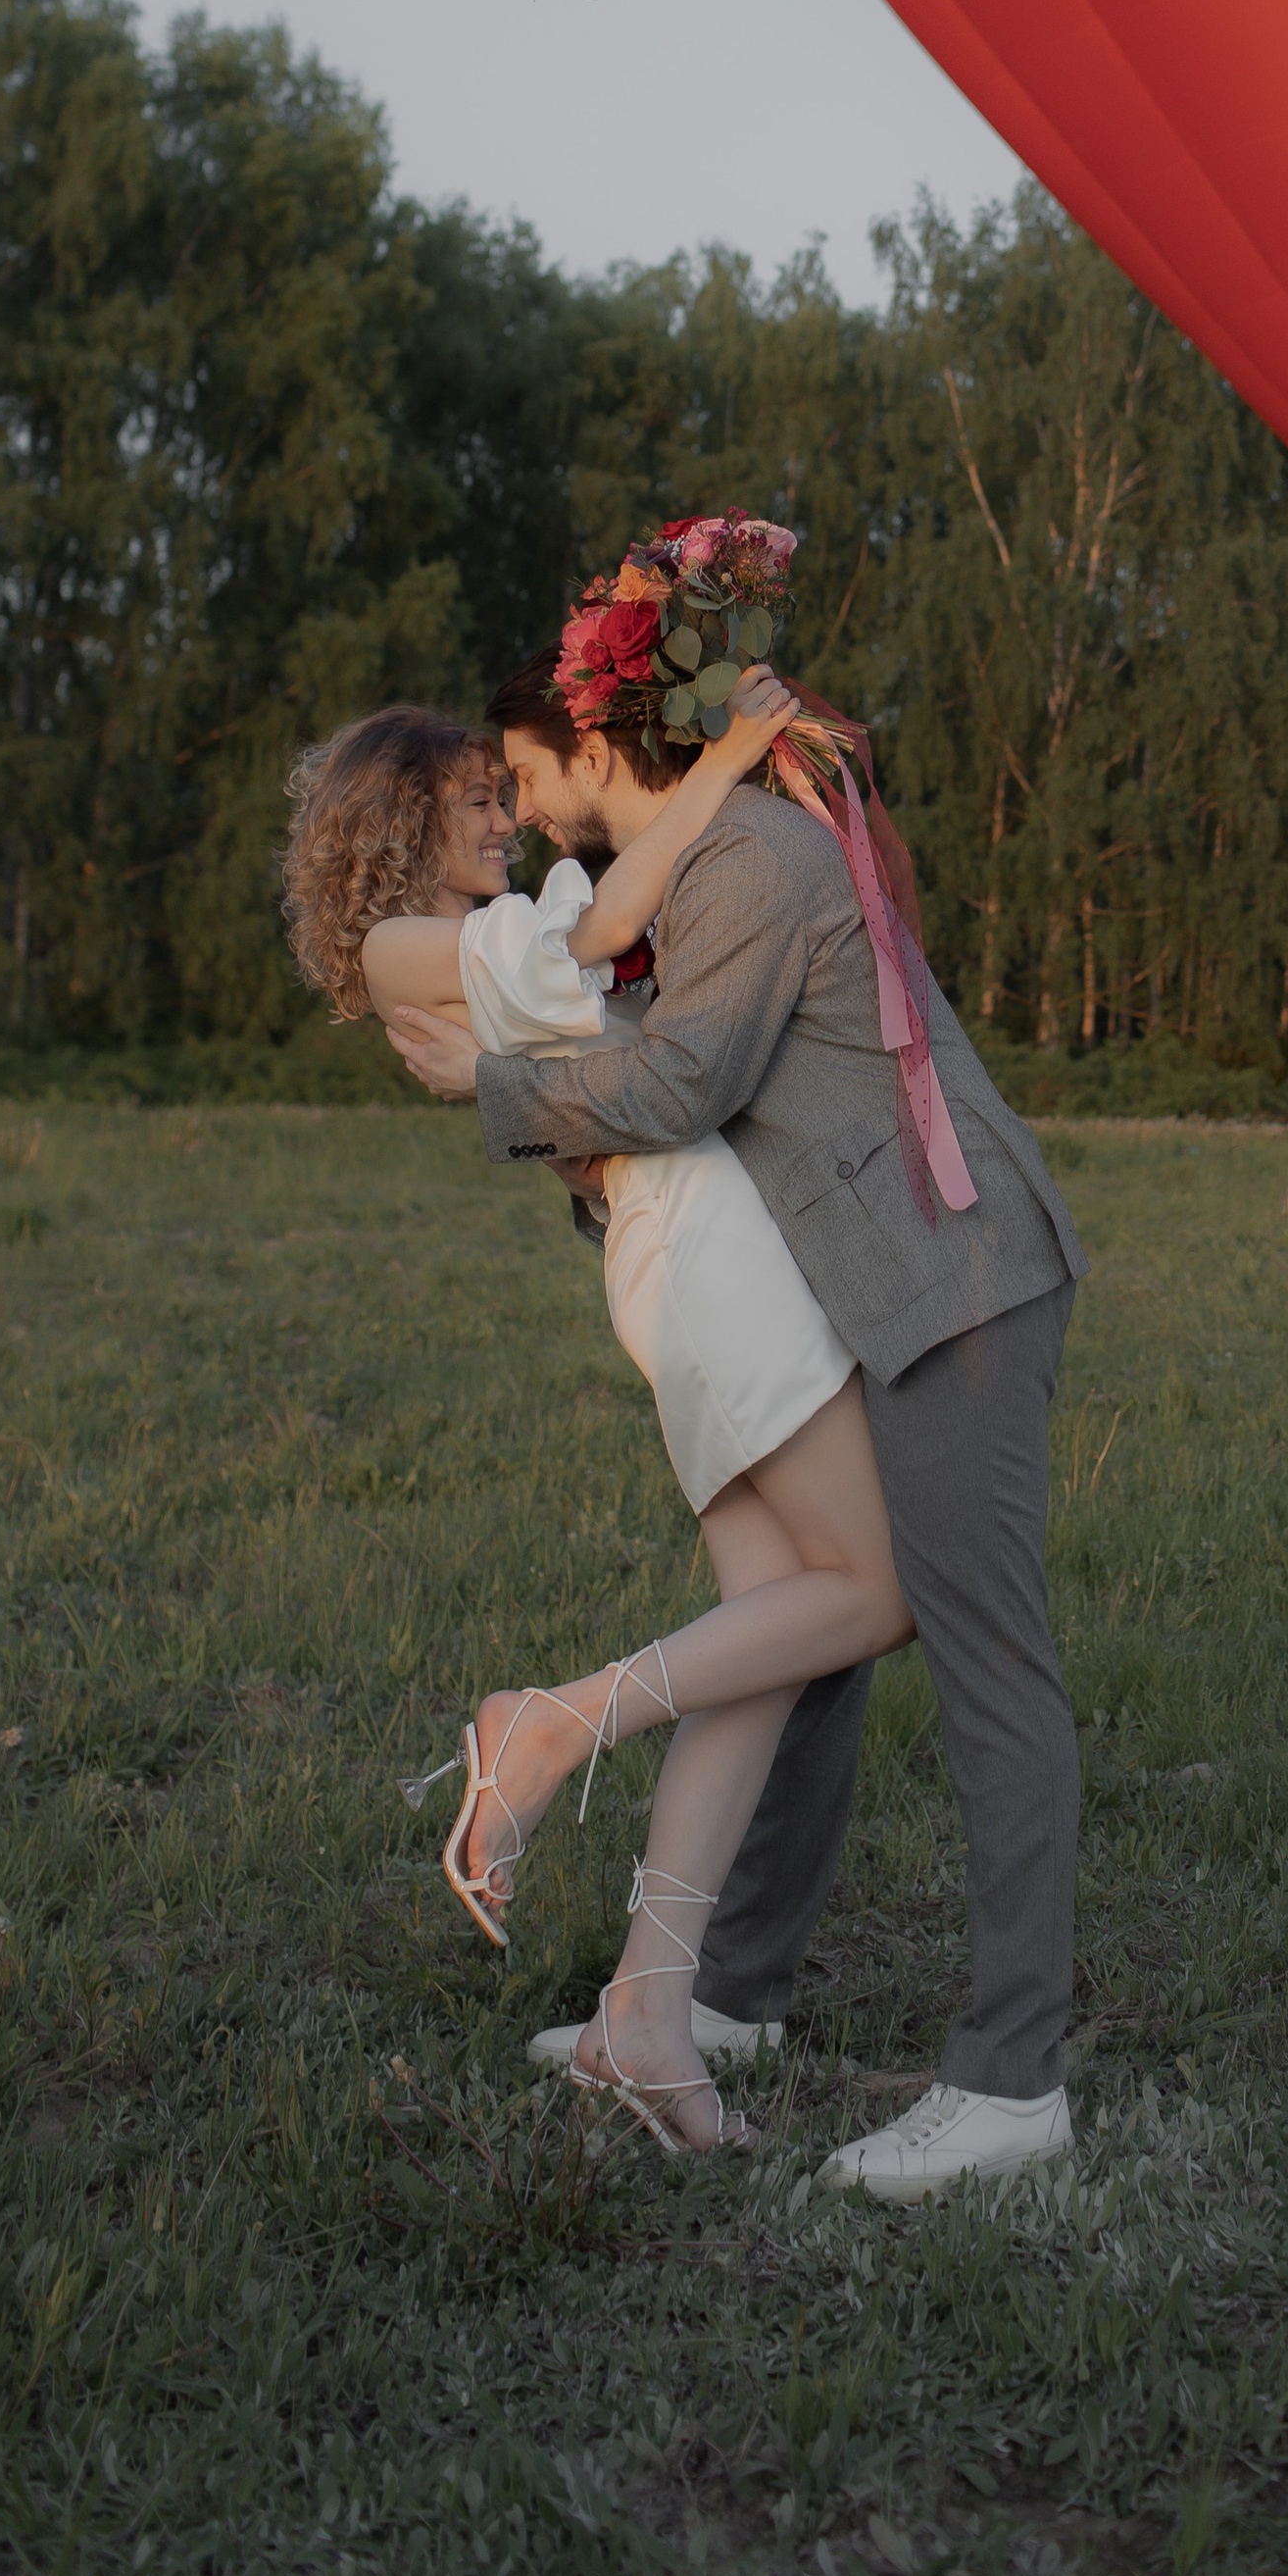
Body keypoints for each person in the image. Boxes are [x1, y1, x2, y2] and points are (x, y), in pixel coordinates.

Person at [385, 517, 1089, 2205]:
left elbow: (681, 1083)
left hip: (954, 1275)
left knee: (983, 1659)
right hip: (880, 1278)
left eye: (525, 772)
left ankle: (1012, 2086)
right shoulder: (709, 858)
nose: (520, 808)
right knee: (818, 1639)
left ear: (592, 742)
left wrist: (485, 1085)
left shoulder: (754, 861)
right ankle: (728, 1995)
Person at [281, 668, 915, 2156]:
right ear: (399, 822)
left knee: (764, 1644)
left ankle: (647, 2011)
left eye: (500, 796)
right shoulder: (398, 946)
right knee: (873, 1592)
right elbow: (607, 931)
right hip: (699, 1251)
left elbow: (594, 1034)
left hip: (681, 1235)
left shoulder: (482, 932)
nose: (502, 818)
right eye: (473, 801)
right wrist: (731, 761)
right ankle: (551, 1722)